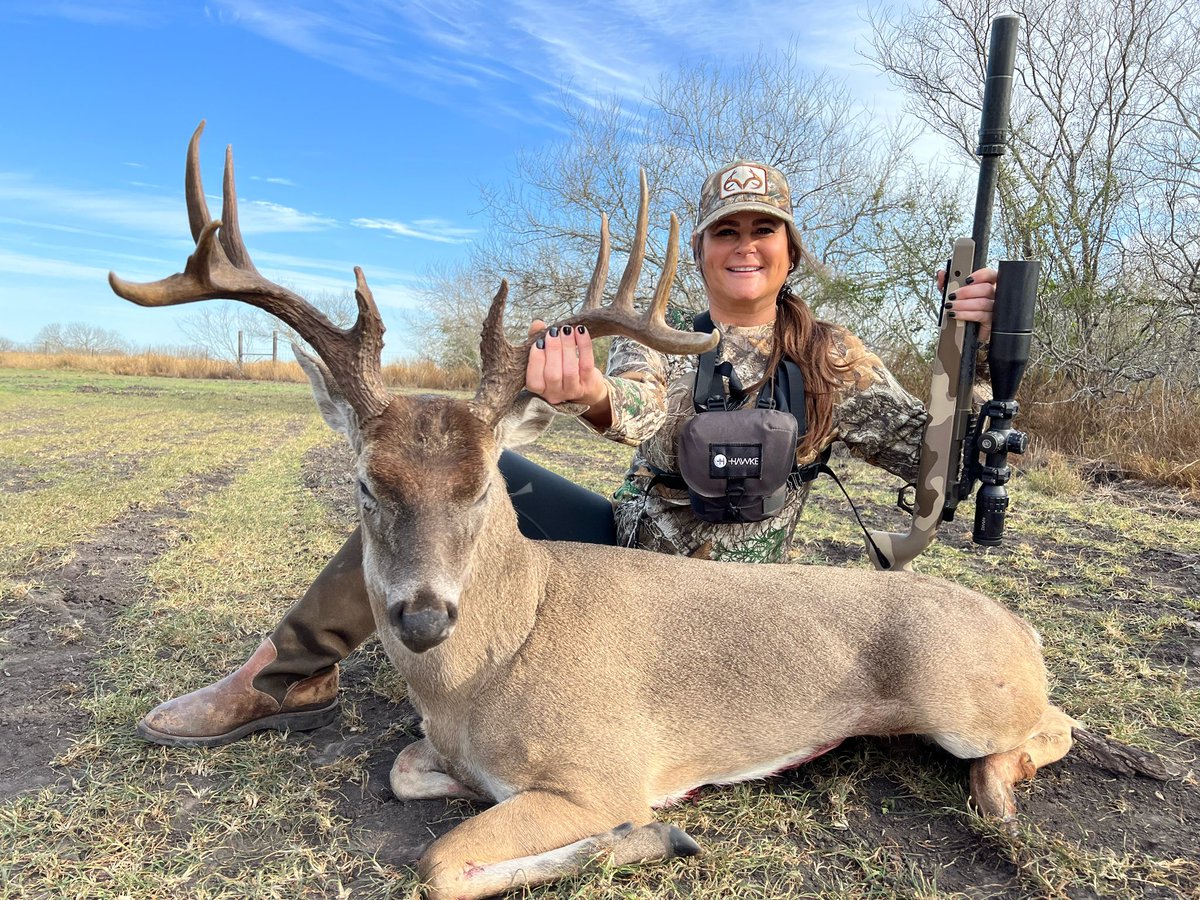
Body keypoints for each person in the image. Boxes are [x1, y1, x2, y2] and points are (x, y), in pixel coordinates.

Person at [136, 160, 996, 747]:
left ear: (788, 249)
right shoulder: (659, 345)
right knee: (441, 475)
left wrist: (978, 355)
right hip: (615, 558)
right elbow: (638, 408)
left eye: (762, 230)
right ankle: (289, 671)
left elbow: (938, 458)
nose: (744, 245)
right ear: (698, 252)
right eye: (724, 230)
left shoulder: (832, 360)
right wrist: (590, 397)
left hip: (728, 605)